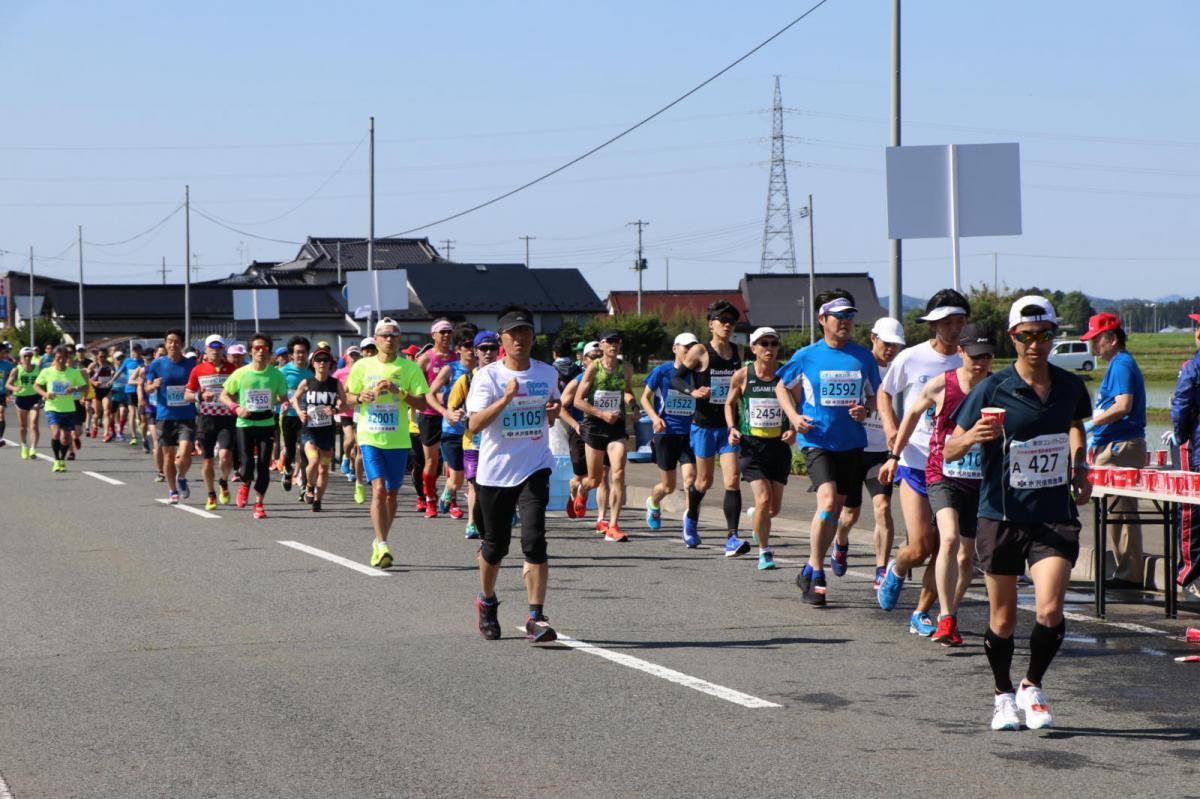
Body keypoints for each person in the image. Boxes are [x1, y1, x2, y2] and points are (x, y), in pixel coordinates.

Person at [945, 295, 1091, 731]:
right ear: (1013, 337)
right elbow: (950, 447)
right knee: (1004, 619)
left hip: (1053, 514)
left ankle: (1032, 685)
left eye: (1043, 335)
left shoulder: (1069, 386)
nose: (1035, 344)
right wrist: (972, 436)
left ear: (1053, 337)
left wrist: (1080, 465)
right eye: (1026, 336)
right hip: (1002, 515)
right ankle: (1002, 695)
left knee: (1049, 610)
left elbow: (1075, 424)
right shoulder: (992, 388)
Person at [880, 323, 994, 646]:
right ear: (961, 353)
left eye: (986, 356)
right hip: (942, 474)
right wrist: (894, 455)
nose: (980, 363)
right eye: (975, 356)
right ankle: (943, 616)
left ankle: (948, 615)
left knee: (965, 559)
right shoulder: (942, 384)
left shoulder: (996, 388)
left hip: (978, 480)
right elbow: (912, 414)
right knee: (948, 538)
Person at [466, 306, 562, 642]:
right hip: (495, 473)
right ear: (502, 340)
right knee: (495, 547)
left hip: (535, 466)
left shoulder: (547, 373)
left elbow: (553, 410)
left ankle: (536, 617)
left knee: (534, 540)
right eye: (512, 334)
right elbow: (474, 424)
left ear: (533, 338)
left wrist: (554, 410)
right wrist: (505, 399)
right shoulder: (488, 377)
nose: (519, 339)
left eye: (525, 333)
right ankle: (487, 601)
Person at [876, 289, 970, 635]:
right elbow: (885, 392)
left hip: (955, 466)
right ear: (933, 325)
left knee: (947, 543)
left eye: (959, 321)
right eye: (947, 322)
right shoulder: (912, 358)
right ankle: (898, 569)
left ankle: (922, 612)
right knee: (920, 546)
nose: (954, 329)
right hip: (915, 459)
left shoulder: (970, 360)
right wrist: (891, 429)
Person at [778, 291, 880, 605]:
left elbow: (875, 395)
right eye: (839, 316)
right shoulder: (806, 355)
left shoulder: (862, 357)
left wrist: (866, 410)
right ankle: (818, 574)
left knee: (835, 511)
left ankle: (809, 568)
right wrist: (794, 417)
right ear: (823, 319)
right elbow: (781, 386)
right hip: (817, 440)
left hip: (851, 442)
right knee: (826, 502)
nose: (846, 321)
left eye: (850, 316)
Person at [345, 317, 430, 568]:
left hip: (398, 439)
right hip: (370, 437)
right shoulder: (362, 366)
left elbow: (422, 403)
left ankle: (380, 538)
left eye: (393, 335)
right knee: (379, 489)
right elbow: (347, 397)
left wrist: (398, 392)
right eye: (384, 335)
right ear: (376, 339)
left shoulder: (409, 368)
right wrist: (360, 397)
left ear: (399, 339)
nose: (389, 339)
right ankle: (382, 545)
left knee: (392, 494)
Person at [671, 300, 748, 555]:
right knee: (704, 481)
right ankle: (691, 516)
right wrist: (692, 391)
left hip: (728, 426)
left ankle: (732, 538)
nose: (727, 325)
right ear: (711, 324)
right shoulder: (701, 351)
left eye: (732, 321)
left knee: (733, 479)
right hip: (703, 426)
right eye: (722, 320)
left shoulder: (738, 352)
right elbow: (676, 378)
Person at [834, 317, 904, 587]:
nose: (891, 350)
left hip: (881, 453)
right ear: (873, 338)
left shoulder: (900, 368)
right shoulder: (857, 364)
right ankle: (840, 543)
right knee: (850, 514)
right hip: (854, 448)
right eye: (887, 343)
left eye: (896, 345)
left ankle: (881, 569)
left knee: (883, 507)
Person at [1080, 312, 1148, 587]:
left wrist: (1091, 424)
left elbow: (1123, 405)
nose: (1093, 345)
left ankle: (1129, 574)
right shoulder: (1119, 364)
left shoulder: (1121, 364)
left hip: (1121, 446)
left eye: (1096, 339)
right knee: (1116, 511)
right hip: (1114, 444)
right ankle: (1125, 570)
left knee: (1122, 510)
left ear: (1111, 339)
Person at [726, 327, 794, 570]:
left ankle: (758, 517)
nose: (769, 348)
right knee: (764, 500)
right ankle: (764, 552)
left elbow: (799, 404)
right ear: (753, 348)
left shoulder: (786, 374)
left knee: (772, 509)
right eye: (764, 344)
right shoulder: (743, 375)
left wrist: (794, 429)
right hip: (751, 446)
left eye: (774, 343)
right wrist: (732, 428)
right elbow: (729, 403)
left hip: (779, 446)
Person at [573, 328, 636, 542]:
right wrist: (601, 414)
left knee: (618, 473)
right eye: (609, 341)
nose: (613, 344)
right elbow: (578, 401)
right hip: (595, 427)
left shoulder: (626, 368)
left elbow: (627, 391)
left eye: (617, 341)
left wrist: (634, 406)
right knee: (594, 479)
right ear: (601, 345)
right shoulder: (594, 368)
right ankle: (582, 491)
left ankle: (613, 525)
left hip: (616, 427)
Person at [221, 333, 290, 519]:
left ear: (270, 352)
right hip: (245, 424)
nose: (260, 351)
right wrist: (236, 408)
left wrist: (285, 404)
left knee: (264, 465)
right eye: (257, 348)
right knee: (246, 465)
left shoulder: (276, 374)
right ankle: (245, 484)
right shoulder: (241, 373)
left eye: (264, 348)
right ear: (250, 352)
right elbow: (224, 395)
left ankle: (259, 503)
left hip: (266, 423)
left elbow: (283, 397)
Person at [641, 333, 700, 544]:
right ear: (675, 348)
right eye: (686, 347)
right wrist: (655, 418)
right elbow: (644, 398)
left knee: (691, 481)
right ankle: (653, 502)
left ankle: (689, 527)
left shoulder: (698, 373)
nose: (690, 351)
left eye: (693, 348)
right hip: (666, 433)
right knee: (668, 487)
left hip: (689, 433)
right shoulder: (662, 371)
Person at [143, 329, 199, 504]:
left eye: (176, 341)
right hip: (165, 416)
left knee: (185, 451)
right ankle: (173, 490)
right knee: (168, 456)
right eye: (169, 341)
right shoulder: (156, 364)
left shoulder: (191, 364)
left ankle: (181, 476)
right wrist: (153, 386)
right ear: (165, 343)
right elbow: (147, 387)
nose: (173, 344)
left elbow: (198, 384)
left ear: (182, 344)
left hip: (186, 415)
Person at [427, 331, 477, 520]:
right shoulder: (450, 369)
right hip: (453, 431)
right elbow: (429, 394)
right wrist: (445, 412)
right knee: (456, 480)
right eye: (467, 346)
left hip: (475, 433)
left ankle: (473, 522)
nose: (471, 350)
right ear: (458, 349)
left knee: (474, 479)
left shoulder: (484, 370)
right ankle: (448, 491)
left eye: (474, 346)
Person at [560, 342, 610, 530]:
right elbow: (561, 407)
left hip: (604, 432)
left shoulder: (611, 378)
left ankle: (602, 519)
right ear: (584, 359)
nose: (597, 360)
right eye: (593, 356)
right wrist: (575, 425)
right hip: (581, 433)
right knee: (580, 477)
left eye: (600, 356)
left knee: (603, 475)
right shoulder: (578, 380)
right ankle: (575, 491)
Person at [412, 319, 459, 517]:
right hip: (430, 414)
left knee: (452, 461)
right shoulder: (425, 359)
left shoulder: (457, 357)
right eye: (442, 332)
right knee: (431, 460)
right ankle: (429, 498)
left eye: (449, 331)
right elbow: (416, 388)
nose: (446, 335)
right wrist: (434, 396)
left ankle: (451, 500)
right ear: (433, 335)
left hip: (453, 414)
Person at [185, 334, 237, 510]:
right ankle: (211, 494)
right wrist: (200, 396)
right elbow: (187, 395)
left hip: (227, 418)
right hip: (206, 419)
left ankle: (223, 481)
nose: (215, 351)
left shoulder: (233, 369)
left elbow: (241, 391)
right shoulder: (197, 370)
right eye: (212, 347)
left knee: (225, 456)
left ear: (223, 349)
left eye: (218, 347)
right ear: (206, 350)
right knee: (207, 461)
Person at [293, 349, 346, 511]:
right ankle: (309, 486)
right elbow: (294, 398)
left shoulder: (335, 383)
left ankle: (318, 500)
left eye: (325, 360)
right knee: (314, 460)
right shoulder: (307, 382)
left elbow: (345, 403)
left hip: (327, 431)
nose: (322, 363)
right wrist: (299, 412)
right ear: (313, 364)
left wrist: (335, 410)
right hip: (309, 429)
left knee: (323, 469)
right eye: (318, 360)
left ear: (330, 364)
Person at [1171, 313, 1200, 590]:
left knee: (1191, 511)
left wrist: (1180, 436)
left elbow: (1181, 404)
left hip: (1197, 449)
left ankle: (1189, 576)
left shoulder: (1193, 367)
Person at [33, 344, 88, 472]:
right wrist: (45, 394)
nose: (61, 360)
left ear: (67, 358)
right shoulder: (47, 371)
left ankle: (62, 459)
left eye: (64, 357)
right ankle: (57, 460)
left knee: (66, 437)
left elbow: (85, 387)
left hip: (68, 408)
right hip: (52, 408)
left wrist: (75, 389)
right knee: (56, 433)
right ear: (54, 358)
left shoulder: (73, 372)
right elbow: (36, 385)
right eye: (58, 357)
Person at [279, 336, 314, 497]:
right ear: (291, 355)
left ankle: (304, 485)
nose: (301, 355)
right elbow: (276, 393)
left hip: (306, 417)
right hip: (289, 416)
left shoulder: (311, 373)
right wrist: (282, 403)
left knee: (305, 451)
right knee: (290, 449)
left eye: (304, 352)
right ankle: (287, 470)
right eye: (297, 352)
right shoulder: (283, 372)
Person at [334, 347, 367, 501]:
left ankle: (353, 470)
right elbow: (332, 387)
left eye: (356, 354)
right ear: (346, 357)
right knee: (351, 439)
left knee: (357, 446)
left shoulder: (364, 368)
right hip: (345, 412)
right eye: (351, 355)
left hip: (359, 411)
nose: (354, 357)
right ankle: (346, 457)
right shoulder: (340, 372)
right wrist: (337, 401)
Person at [6, 346, 41, 459]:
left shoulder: (37, 368)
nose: (27, 358)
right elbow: (8, 384)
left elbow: (43, 382)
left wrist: (44, 394)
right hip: (21, 399)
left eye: (30, 355)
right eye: (25, 356)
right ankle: (24, 446)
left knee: (34, 424)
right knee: (23, 426)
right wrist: (14, 388)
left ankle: (33, 449)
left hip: (35, 398)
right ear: (21, 357)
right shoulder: (16, 370)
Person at [0, 341, 14, 446]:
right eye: (2, 352)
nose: (4, 354)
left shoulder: (7, 365)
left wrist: (10, 392)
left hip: (2, 393)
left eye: (4, 352)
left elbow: (15, 376)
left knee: (1, 414)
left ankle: (0, 438)